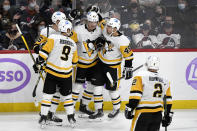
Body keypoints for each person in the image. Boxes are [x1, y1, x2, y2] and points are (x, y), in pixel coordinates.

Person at [33, 11, 78, 126]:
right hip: (55, 66)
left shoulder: (54, 37)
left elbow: (44, 52)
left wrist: (40, 59)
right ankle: (64, 116)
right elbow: (36, 47)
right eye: (58, 21)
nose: (60, 22)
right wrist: (42, 53)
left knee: (53, 94)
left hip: (51, 66)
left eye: (62, 21)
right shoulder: (46, 31)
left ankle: (49, 114)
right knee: (57, 94)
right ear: (54, 21)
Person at [90, 17, 133, 119]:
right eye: (108, 26)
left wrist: (128, 68)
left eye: (110, 27)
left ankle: (116, 109)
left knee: (112, 90)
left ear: (115, 29)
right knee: (97, 88)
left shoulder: (123, 40)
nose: (107, 28)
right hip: (100, 64)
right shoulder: (105, 29)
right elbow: (100, 20)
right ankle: (99, 110)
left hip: (113, 68)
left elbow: (129, 56)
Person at [124, 55, 173, 131]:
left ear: (147, 64)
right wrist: (168, 115)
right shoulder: (165, 80)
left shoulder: (140, 76)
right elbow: (168, 100)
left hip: (143, 114)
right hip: (158, 116)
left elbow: (136, 95)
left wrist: (130, 107)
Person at [72, 11, 103, 117]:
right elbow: (72, 44)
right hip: (80, 63)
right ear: (86, 20)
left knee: (91, 86)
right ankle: (70, 110)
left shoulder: (99, 30)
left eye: (95, 22)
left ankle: (83, 106)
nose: (92, 24)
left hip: (94, 63)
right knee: (77, 87)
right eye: (90, 21)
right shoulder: (78, 30)